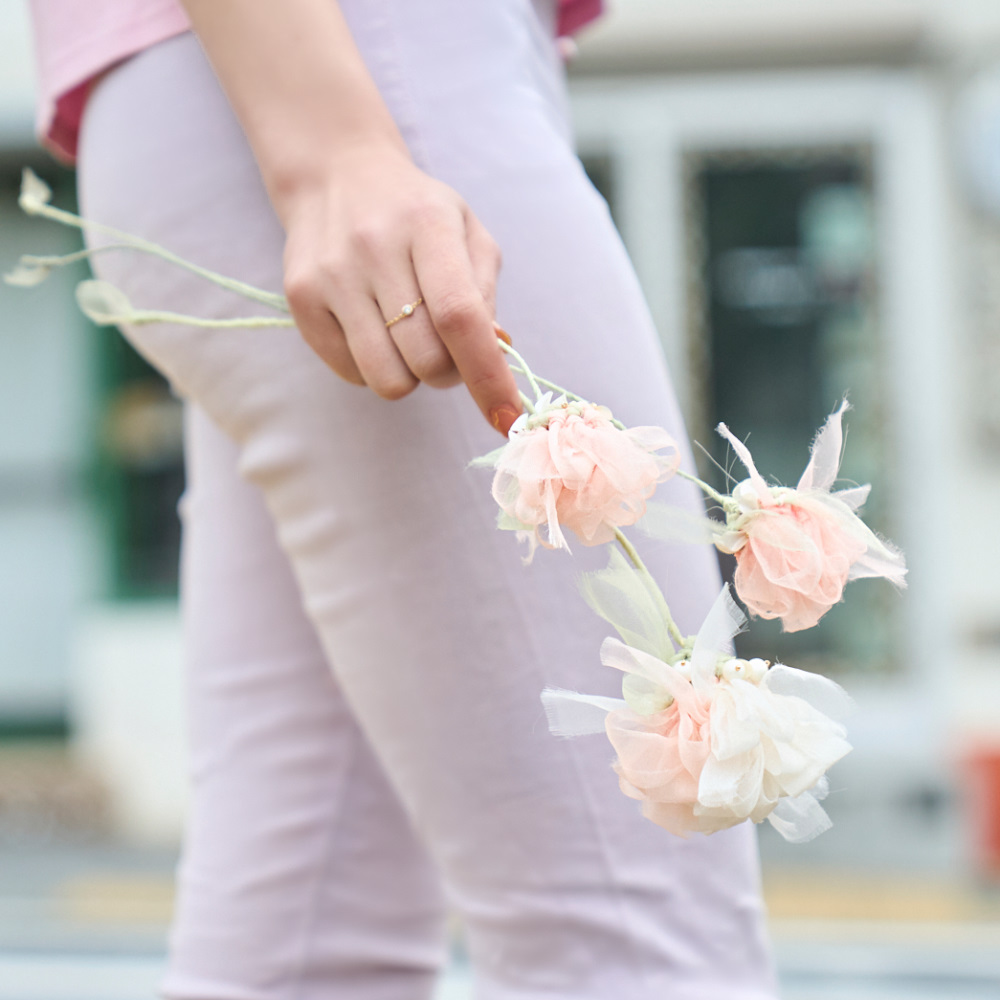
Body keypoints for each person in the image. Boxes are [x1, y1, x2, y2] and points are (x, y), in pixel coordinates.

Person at [27, 1, 779, 997]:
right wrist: (336, 148)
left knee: (310, 943)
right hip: (358, 74)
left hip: (264, 88)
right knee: (637, 940)